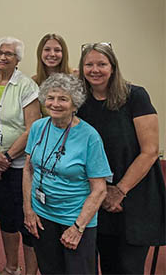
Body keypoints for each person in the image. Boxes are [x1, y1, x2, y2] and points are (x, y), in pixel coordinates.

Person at [76, 42, 166, 274]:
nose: (95, 70)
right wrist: (104, 192)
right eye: (89, 64)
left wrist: (119, 191)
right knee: (107, 263)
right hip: (99, 195)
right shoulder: (81, 103)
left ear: (113, 67)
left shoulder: (135, 96)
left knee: (128, 267)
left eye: (101, 64)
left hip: (135, 194)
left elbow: (150, 151)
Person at [22, 73, 111, 274]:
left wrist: (78, 228)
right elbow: (28, 169)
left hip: (75, 218)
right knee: (49, 269)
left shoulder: (90, 137)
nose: (55, 104)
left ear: (74, 104)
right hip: (42, 214)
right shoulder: (38, 127)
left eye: (63, 99)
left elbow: (99, 190)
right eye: (51, 98)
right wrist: (28, 209)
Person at [0, 37, 41, 275]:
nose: (2, 57)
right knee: (5, 218)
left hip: (20, 165)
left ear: (18, 59)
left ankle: (29, 272)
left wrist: (6, 156)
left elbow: (32, 127)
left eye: (8, 53)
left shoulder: (27, 86)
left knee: (27, 222)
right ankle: (10, 267)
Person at [31, 34, 75, 116]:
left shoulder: (75, 78)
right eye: (47, 49)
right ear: (40, 52)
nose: (52, 54)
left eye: (57, 50)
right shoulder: (34, 82)